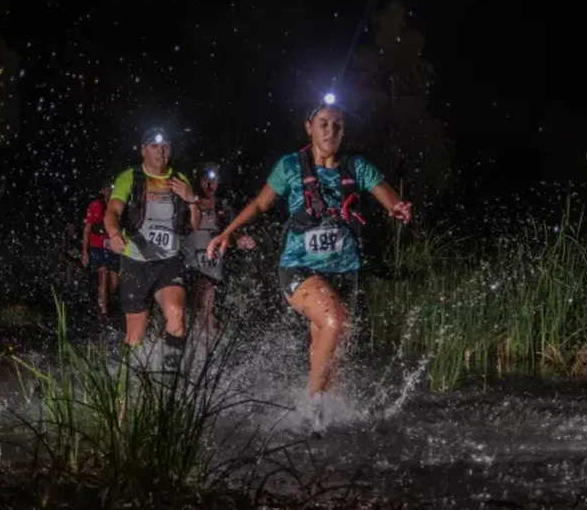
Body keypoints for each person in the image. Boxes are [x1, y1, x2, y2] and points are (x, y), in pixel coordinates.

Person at [206, 94, 412, 435]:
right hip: (299, 268)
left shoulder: (357, 167)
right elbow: (259, 204)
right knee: (335, 319)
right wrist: (228, 232)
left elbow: (388, 197)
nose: (330, 131)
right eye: (323, 124)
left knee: (330, 341)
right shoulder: (290, 166)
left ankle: (322, 425)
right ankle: (314, 408)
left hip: (345, 270)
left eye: (337, 126)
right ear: (309, 128)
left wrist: (397, 208)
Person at [103, 126, 200, 370]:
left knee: (176, 313)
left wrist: (192, 200)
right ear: (143, 150)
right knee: (135, 336)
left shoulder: (179, 179)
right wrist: (114, 234)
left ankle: (170, 376)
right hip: (135, 262)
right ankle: (120, 375)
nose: (161, 150)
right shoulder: (131, 177)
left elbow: (194, 224)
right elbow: (112, 211)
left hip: (169, 260)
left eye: (166, 145)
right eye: (155, 145)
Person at [181, 161, 255, 343]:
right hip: (190, 265)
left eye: (213, 180)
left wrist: (240, 240)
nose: (209, 185)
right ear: (198, 180)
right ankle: (195, 341)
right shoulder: (187, 202)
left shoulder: (223, 205)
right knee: (198, 303)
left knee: (211, 305)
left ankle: (209, 343)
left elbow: (232, 231)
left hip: (215, 267)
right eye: (205, 180)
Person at [82, 179, 121, 317]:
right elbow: (87, 229)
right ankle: (103, 310)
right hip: (97, 246)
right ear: (103, 191)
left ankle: (109, 298)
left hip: (112, 246)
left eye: (112, 189)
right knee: (102, 274)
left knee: (115, 283)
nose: (110, 192)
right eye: (107, 189)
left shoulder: (118, 205)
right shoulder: (95, 205)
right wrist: (84, 252)